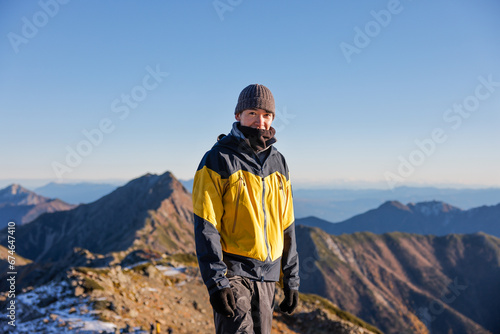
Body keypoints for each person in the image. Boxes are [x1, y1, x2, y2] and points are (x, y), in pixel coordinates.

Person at [192, 84, 300, 333]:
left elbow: (287, 225)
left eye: (266, 115)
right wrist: (217, 283)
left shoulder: (279, 162)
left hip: (268, 277)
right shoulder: (217, 159)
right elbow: (206, 227)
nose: (260, 121)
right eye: (252, 113)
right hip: (233, 273)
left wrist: (291, 280)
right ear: (238, 115)